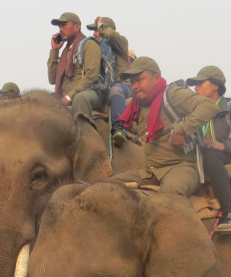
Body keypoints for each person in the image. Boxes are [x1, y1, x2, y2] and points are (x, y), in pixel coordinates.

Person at [110, 57, 218, 198]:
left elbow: (209, 106)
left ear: (157, 77)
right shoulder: (136, 105)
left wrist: (181, 129)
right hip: (150, 171)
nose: (135, 86)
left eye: (139, 80)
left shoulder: (173, 94)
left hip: (181, 167)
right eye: (132, 82)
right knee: (105, 188)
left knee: (168, 197)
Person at [186, 65, 231, 233]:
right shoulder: (197, 114)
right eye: (195, 84)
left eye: (201, 83)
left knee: (211, 155)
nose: (196, 87)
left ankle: (229, 215)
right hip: (206, 158)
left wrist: (222, 146)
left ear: (215, 86)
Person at [47, 12, 104, 118]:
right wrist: (54, 51)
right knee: (41, 100)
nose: (60, 29)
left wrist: (69, 97)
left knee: (80, 98)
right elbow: (52, 79)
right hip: (67, 95)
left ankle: (83, 128)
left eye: (64, 25)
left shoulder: (89, 44)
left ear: (76, 27)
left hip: (89, 93)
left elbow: (92, 75)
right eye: (59, 26)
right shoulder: (66, 51)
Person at [88, 16, 132, 145]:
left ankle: (119, 128)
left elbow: (111, 35)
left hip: (121, 85)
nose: (94, 33)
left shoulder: (120, 42)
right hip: (101, 87)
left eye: (97, 30)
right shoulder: (95, 49)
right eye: (95, 30)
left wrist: (101, 24)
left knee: (115, 90)